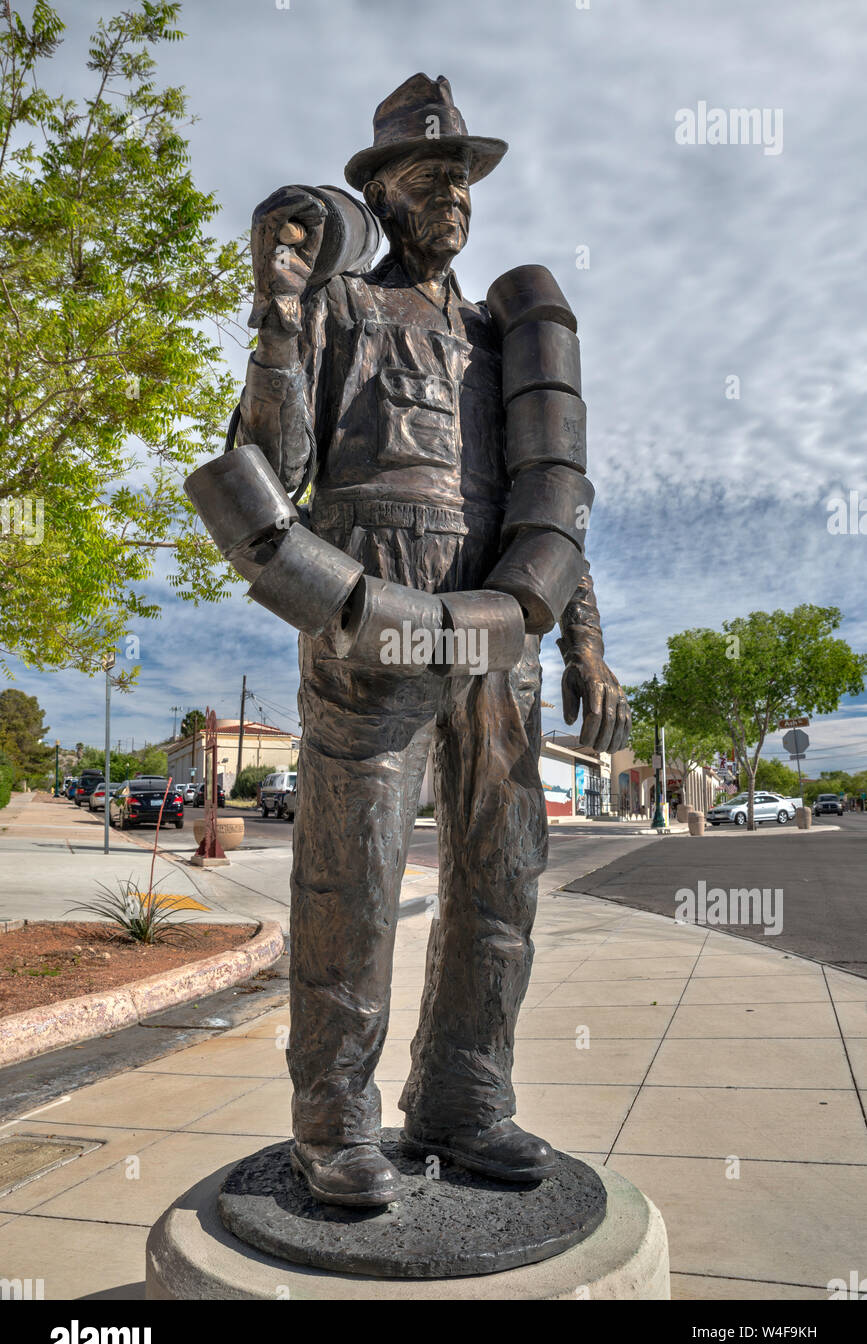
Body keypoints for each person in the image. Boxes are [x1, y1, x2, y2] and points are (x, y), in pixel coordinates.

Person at [235, 74, 631, 1206]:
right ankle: (334, 1120)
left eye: (461, 177)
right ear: (383, 193)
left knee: (501, 873)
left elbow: (549, 511)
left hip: (494, 616)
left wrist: (582, 643)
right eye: (427, 175)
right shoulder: (345, 307)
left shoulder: (498, 339)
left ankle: (464, 1095)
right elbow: (272, 464)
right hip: (370, 596)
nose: (451, 194)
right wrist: (276, 321)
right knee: (350, 879)